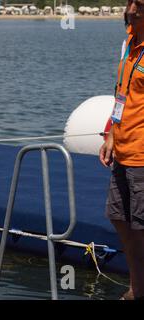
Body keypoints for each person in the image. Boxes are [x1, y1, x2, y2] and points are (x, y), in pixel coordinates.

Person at [99, 0, 144, 300]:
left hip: (142, 154)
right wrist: (111, 133)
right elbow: (122, 91)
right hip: (122, 146)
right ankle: (138, 286)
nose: (130, 7)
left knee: (141, 225)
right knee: (118, 216)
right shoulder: (130, 40)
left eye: (138, 3)